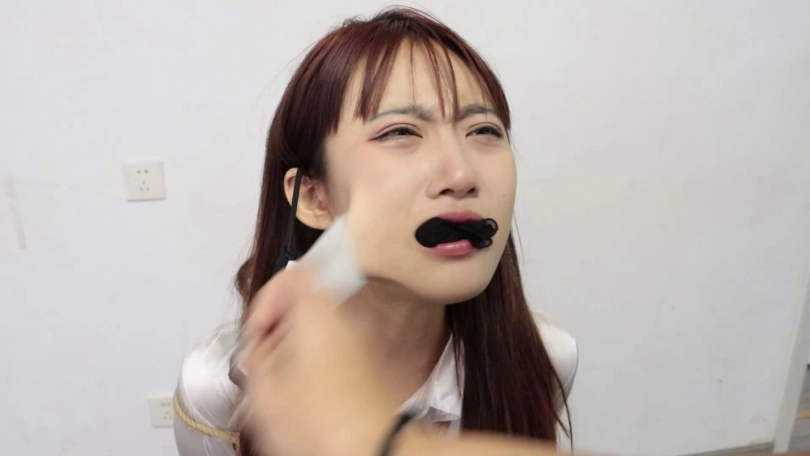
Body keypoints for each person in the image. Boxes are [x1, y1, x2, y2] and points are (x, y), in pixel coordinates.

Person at [173, 7, 578, 456]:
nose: (461, 175)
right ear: (313, 197)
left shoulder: (545, 358)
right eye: (400, 132)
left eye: (484, 130)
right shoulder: (218, 389)